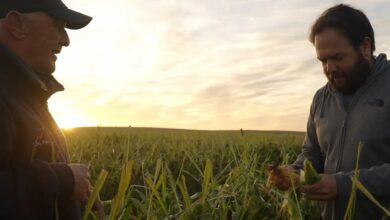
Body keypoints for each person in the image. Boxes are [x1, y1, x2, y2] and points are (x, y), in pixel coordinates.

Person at [268, 4, 390, 220]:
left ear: (365, 47)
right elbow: (312, 153)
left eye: (337, 58)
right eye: (323, 61)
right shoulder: (321, 98)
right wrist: (293, 173)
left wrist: (342, 185)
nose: (329, 69)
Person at [0, 0, 103, 219]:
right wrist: (62, 181)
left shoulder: (24, 93)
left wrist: (77, 195)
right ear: (18, 25)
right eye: (57, 26)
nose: (65, 41)